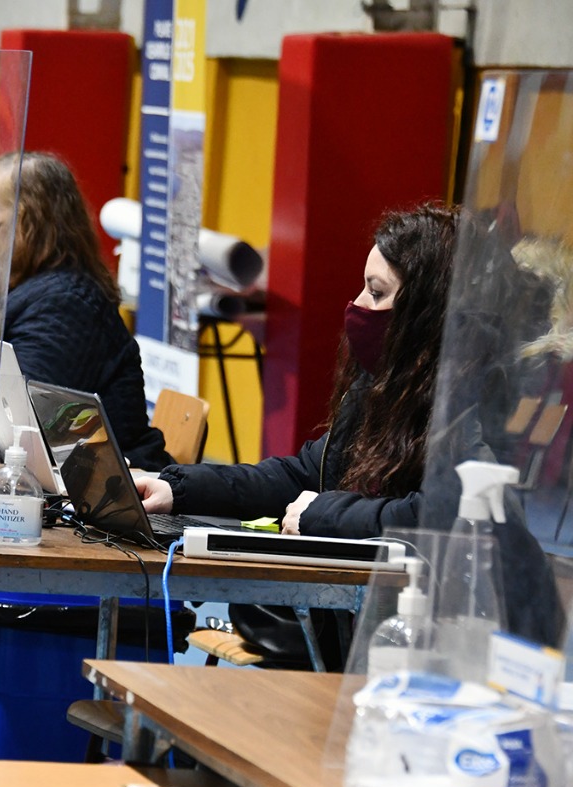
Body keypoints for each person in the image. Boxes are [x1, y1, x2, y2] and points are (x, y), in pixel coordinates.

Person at [136, 203, 460, 670]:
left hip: (410, 651)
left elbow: (433, 519)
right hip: (349, 628)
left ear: (428, 309)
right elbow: (304, 473)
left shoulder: (464, 408)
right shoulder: (382, 386)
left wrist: (322, 513)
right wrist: (178, 487)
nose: (358, 305)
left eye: (377, 291)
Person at [0, 151, 172, 470]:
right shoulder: (29, 291)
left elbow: (18, 429)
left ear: (26, 222)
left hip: (114, 492)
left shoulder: (65, 304)